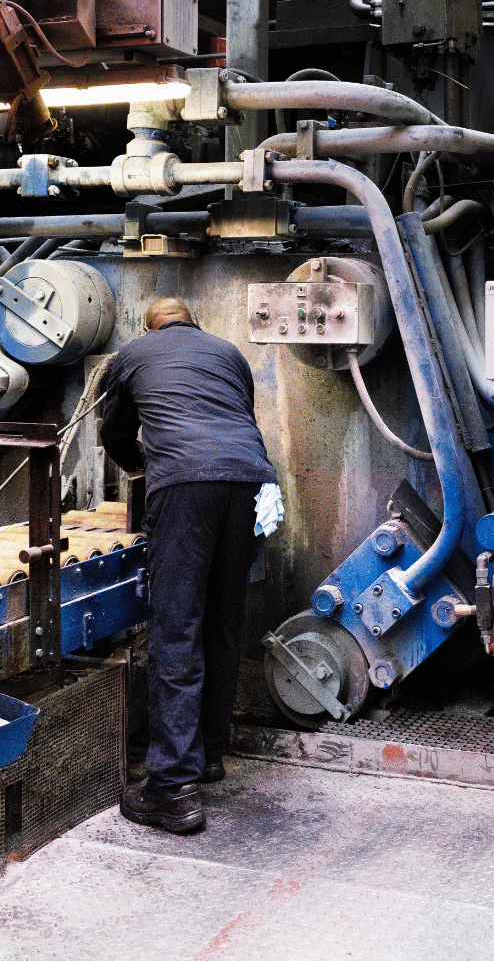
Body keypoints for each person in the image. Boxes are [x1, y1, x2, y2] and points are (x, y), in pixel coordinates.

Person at [100, 297, 277, 834]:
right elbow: (238, 420)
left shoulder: (133, 354)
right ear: (193, 322)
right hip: (249, 482)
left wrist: (142, 467)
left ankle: (172, 789)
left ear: (148, 326)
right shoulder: (228, 354)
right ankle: (209, 754)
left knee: (177, 629)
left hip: (186, 485)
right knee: (223, 621)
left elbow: (114, 433)